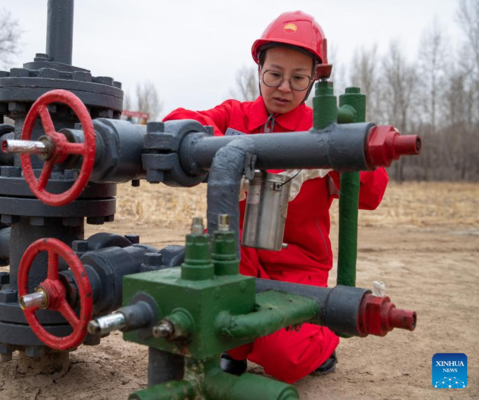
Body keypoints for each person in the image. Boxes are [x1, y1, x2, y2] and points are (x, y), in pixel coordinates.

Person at [163, 11, 389, 383]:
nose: (284, 87)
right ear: (259, 70)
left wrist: (349, 146)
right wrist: (201, 138)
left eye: (298, 78)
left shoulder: (323, 130)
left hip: (299, 267)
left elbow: (372, 194)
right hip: (238, 259)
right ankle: (238, 348)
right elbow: (179, 120)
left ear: (314, 80)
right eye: (274, 74)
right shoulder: (234, 115)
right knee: (214, 325)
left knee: (283, 360)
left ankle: (323, 338)